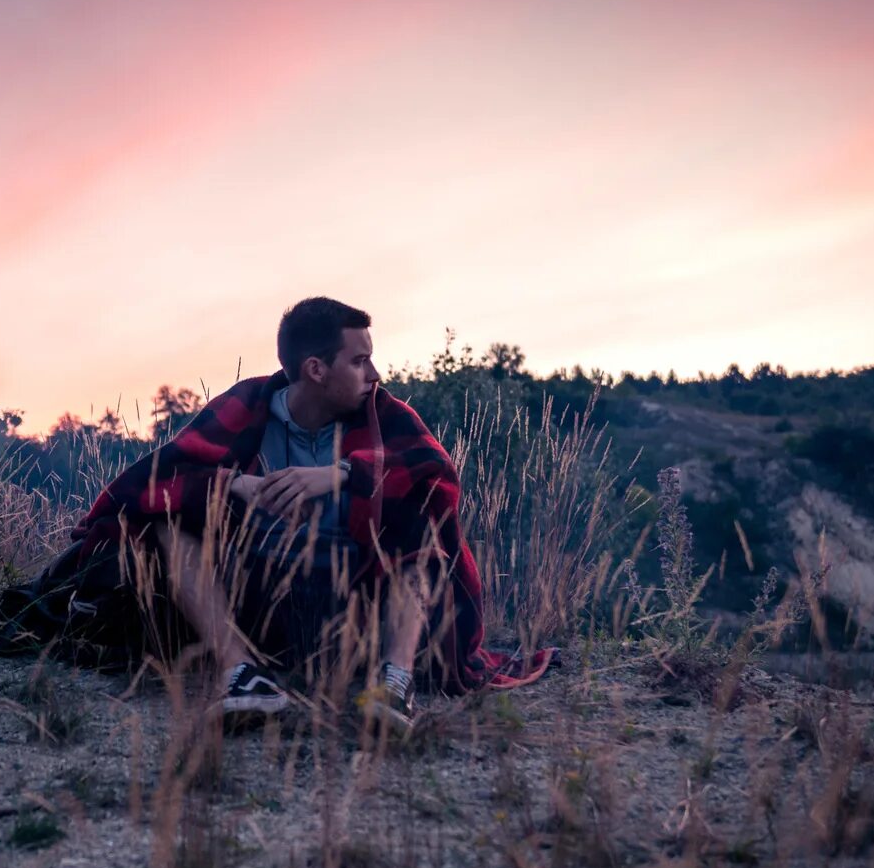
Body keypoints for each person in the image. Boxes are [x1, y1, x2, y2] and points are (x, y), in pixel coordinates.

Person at [61, 297, 544, 731]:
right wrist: (234, 483)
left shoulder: (384, 414)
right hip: (257, 599)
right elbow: (153, 482)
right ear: (316, 368)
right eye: (359, 361)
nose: (374, 374)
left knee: (419, 511)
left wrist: (343, 473)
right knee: (170, 517)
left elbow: (434, 472)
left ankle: (394, 683)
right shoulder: (247, 408)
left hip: (354, 602)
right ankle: (242, 674)